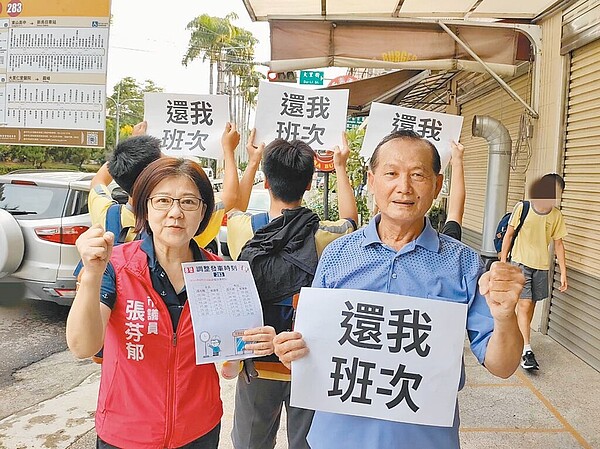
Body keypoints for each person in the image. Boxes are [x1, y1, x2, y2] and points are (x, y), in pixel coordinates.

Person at [273, 129, 525, 449]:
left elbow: (502, 366)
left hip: (425, 439)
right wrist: (291, 350)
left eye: (417, 174)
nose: (403, 187)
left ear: (437, 185)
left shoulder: (463, 264)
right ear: (372, 180)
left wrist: (505, 318)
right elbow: (311, 347)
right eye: (391, 173)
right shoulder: (337, 255)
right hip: (336, 438)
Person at [66, 157, 275, 449]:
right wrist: (91, 275)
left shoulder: (222, 273)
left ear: (203, 211)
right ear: (146, 207)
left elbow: (228, 368)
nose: (175, 213)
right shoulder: (115, 265)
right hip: (126, 433)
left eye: (189, 202)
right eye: (163, 200)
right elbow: (82, 346)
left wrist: (248, 345)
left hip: (198, 430)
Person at [222, 129, 359, 449]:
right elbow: (351, 220)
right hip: (307, 360)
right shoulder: (325, 236)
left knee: (251, 444)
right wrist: (340, 166)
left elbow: (233, 206)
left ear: (267, 183)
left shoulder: (244, 230)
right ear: (309, 184)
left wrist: (251, 160)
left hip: (255, 360)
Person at [89, 121, 239, 249]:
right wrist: (228, 150)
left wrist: (132, 149)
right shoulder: (184, 222)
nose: (168, 157)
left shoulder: (107, 215)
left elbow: (98, 181)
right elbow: (231, 196)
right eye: (163, 158)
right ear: (154, 175)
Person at [500, 173, 568, 370]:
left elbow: (559, 244)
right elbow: (509, 234)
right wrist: (504, 262)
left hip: (542, 267)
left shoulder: (556, 216)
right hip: (520, 263)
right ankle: (526, 351)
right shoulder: (523, 207)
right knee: (524, 304)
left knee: (529, 308)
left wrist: (563, 272)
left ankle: (519, 340)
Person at [440, 140, 465, 241]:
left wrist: (457, 162)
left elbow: (455, 213)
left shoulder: (447, 246)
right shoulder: (447, 248)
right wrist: (457, 161)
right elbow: (455, 213)